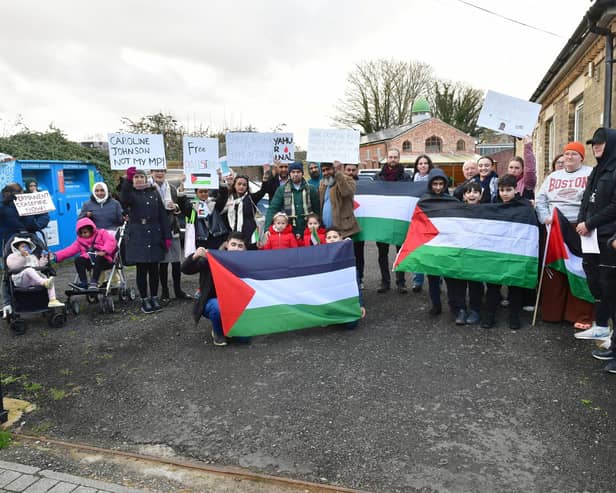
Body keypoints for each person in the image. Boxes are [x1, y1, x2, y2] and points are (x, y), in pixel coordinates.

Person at [535, 141, 593, 328]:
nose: (569, 157)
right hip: (554, 228)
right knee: (554, 271)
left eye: (574, 154)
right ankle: (553, 313)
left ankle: (581, 315)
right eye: (567, 154)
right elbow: (541, 200)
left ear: (582, 157)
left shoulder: (590, 174)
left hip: (579, 227)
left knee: (579, 270)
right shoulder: (553, 176)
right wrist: (544, 217)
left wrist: (588, 222)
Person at [574, 128, 616, 354]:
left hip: (608, 237)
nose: (596, 147)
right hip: (590, 237)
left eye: (601, 143)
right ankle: (600, 327)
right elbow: (586, 200)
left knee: (610, 285)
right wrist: (582, 221)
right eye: (593, 143)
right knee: (595, 282)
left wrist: (590, 224)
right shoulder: (597, 170)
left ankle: (612, 336)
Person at [482, 174, 533, 330]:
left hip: (516, 252)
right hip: (496, 252)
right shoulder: (494, 206)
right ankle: (489, 316)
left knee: (515, 287)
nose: (504, 193)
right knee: (492, 286)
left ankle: (514, 317)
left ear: (516, 189)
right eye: (501, 190)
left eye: (508, 190)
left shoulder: (524, 207)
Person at [181, 232, 248, 347]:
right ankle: (218, 332)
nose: (236, 248)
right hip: (211, 301)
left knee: (245, 339)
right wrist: (195, 256)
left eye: (240, 246)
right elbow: (186, 269)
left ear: (245, 248)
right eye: (233, 244)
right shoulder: (212, 259)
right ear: (227, 244)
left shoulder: (246, 262)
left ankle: (229, 325)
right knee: (217, 307)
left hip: (236, 303)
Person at [120, 168, 171, 314]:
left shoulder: (153, 192)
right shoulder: (130, 193)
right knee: (141, 270)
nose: (139, 179)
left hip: (154, 233)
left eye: (141, 176)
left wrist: (166, 236)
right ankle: (144, 299)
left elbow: (162, 215)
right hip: (137, 234)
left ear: (146, 178)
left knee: (154, 269)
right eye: (136, 177)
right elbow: (124, 199)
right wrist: (128, 180)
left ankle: (154, 297)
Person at [418, 169, 457, 315]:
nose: (438, 187)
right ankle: (436, 305)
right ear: (430, 184)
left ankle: (454, 306)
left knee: (450, 279)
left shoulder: (452, 201)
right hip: (431, 245)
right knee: (433, 278)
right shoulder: (424, 201)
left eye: (441, 184)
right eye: (435, 184)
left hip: (447, 245)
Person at [374, 148, 411, 293]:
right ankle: (385, 282)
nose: (393, 159)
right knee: (382, 254)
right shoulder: (378, 176)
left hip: (399, 220)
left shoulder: (406, 177)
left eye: (395, 157)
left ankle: (401, 282)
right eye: (390, 157)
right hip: (382, 220)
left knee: (400, 252)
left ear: (399, 158)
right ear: (386, 158)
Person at [151, 168, 191, 302]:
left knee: (175, 262)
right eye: (156, 171)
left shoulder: (172, 189)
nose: (159, 173)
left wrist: (175, 207)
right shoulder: (149, 188)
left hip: (172, 227)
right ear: (151, 172)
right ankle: (165, 292)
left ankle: (178, 290)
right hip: (157, 230)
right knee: (162, 263)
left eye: (162, 171)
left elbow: (180, 208)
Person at [450, 182, 485, 325]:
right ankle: (461, 309)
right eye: (468, 192)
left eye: (475, 192)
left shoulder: (487, 211)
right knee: (459, 282)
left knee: (476, 282)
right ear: (464, 196)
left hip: (477, 253)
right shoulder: (457, 210)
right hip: (461, 252)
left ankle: (475, 309)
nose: (472, 195)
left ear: (480, 195)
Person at [54, 217, 117, 292]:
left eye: (85, 232)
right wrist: (56, 256)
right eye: (81, 233)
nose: (83, 234)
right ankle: (83, 282)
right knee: (78, 259)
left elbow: (110, 241)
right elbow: (69, 250)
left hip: (104, 260)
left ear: (91, 230)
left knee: (99, 257)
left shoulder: (102, 233)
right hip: (90, 261)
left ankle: (94, 282)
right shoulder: (80, 241)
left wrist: (104, 251)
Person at [264, 161, 320, 242]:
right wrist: (267, 228)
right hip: (289, 231)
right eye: (293, 172)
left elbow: (317, 210)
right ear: (289, 174)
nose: (296, 174)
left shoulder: (311, 189)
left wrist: (319, 226)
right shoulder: (281, 189)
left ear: (302, 173)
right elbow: (273, 209)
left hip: (308, 230)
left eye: (298, 172)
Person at [324, 227, 366, 329]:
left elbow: (356, 284)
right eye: (329, 237)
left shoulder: (348, 256)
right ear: (325, 240)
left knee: (351, 325)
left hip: (344, 297)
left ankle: (339, 316)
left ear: (341, 238)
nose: (332, 239)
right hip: (330, 299)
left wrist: (360, 305)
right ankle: (329, 315)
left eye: (335, 236)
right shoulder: (322, 256)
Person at [6, 236, 63, 308]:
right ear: (17, 248)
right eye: (23, 246)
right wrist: (22, 256)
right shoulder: (13, 256)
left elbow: (39, 266)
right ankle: (44, 282)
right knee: (28, 269)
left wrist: (43, 258)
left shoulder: (32, 257)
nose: (25, 248)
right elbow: (13, 266)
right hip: (21, 280)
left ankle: (52, 300)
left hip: (34, 280)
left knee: (49, 280)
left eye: (27, 246)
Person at [216, 172, 268, 249]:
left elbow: (263, 191)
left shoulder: (251, 198)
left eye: (244, 185)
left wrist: (265, 178)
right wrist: (220, 179)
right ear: (234, 185)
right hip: (232, 235)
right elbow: (220, 200)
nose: (241, 187)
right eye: (239, 184)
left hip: (250, 236)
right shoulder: (228, 200)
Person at [318, 161, 360, 238]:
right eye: (323, 171)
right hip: (327, 230)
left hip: (343, 230)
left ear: (334, 169)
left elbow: (346, 193)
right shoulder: (323, 183)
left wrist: (338, 174)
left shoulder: (347, 180)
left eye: (328, 169)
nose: (326, 172)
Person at [343, 162, 365, 288]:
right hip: (344, 226)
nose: (351, 172)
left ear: (357, 170)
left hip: (359, 226)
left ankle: (360, 278)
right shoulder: (339, 184)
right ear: (344, 170)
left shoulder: (364, 185)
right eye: (348, 170)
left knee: (359, 254)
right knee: (345, 254)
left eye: (353, 170)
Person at [508, 136, 537, 201]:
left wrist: (528, 146)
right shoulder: (505, 181)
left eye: (517, 168)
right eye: (511, 167)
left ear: (523, 169)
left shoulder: (527, 182)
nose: (513, 170)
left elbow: (530, 169)